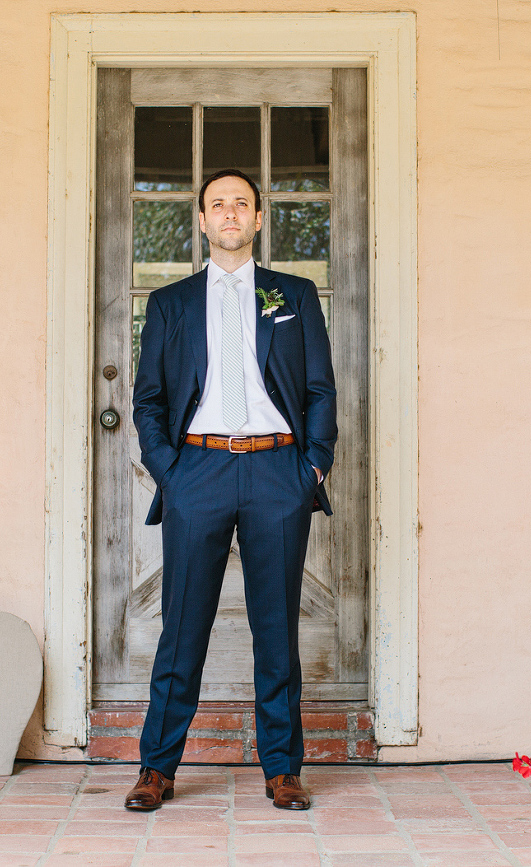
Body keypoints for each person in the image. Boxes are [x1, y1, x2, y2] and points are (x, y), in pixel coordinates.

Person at [125, 169, 337, 812]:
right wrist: (171, 473)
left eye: (240, 204)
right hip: (199, 473)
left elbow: (321, 390)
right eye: (217, 204)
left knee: (277, 630)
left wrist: (314, 468)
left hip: (278, 474)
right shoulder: (171, 304)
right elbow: (149, 400)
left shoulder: (293, 294)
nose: (229, 214)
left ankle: (282, 768)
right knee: (182, 628)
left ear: (258, 218)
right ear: (201, 219)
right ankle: (156, 769)